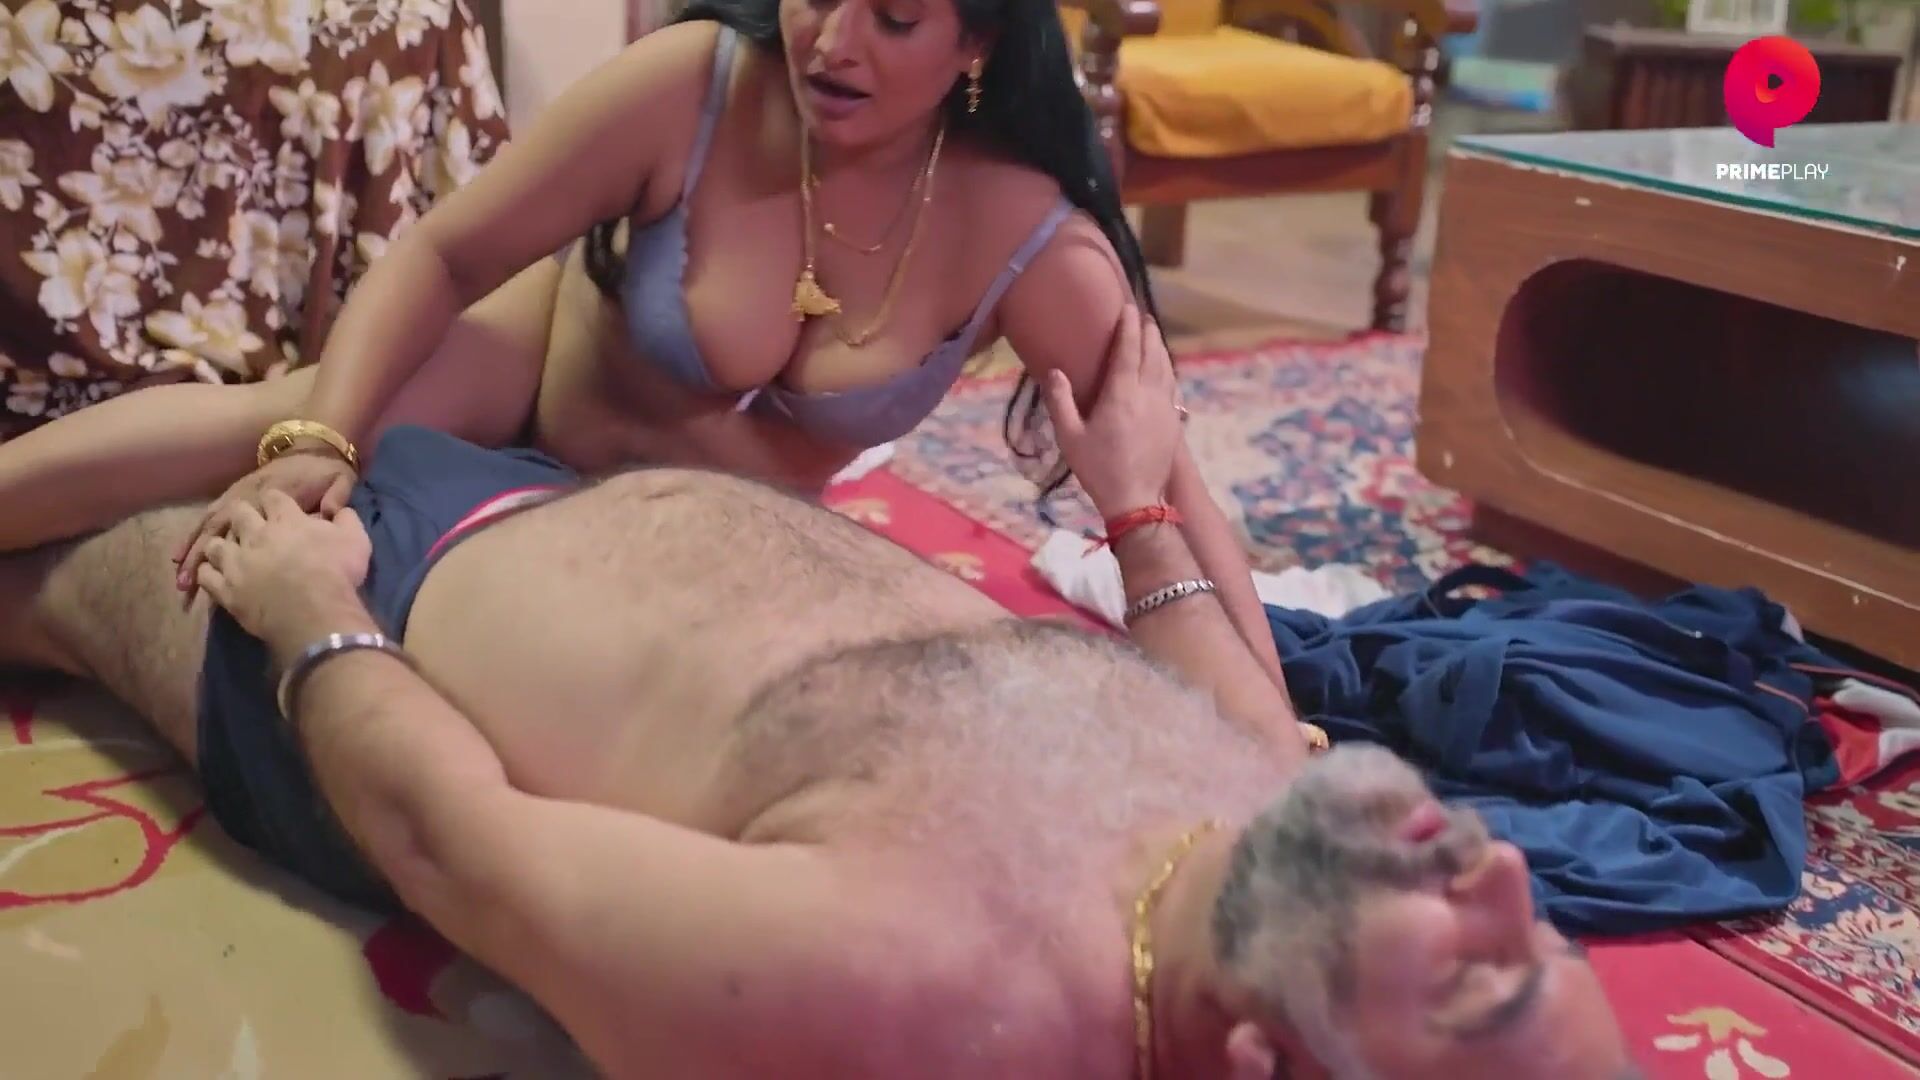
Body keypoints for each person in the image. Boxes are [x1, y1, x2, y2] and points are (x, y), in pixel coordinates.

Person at [0, 310, 1632, 1079]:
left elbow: (453, 843)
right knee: (289, 392)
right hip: (559, 499)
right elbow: (1240, 715)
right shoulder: (1276, 858)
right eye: (1543, 935)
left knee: (45, 571)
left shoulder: (903, 994)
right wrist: (1140, 500)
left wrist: (306, 613)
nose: (1496, 872)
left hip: (376, 628)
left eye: (1480, 979)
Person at [0, 0, 1288, 689]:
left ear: (978, 45)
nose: (832, 38)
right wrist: (320, 436)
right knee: (261, 426)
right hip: (528, 383)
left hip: (699, 548)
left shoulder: (1030, 238)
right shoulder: (696, 84)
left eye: (894, 17)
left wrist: (1273, 722)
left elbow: (1168, 487)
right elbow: (445, 253)